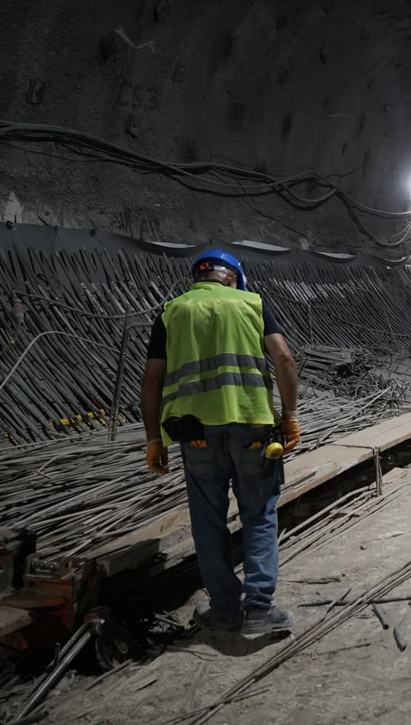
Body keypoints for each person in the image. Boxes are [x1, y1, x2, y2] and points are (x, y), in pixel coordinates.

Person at [140, 250, 300, 634]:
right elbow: (284, 359)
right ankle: (259, 610)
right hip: (252, 430)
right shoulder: (251, 304)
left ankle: (225, 610)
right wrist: (290, 417)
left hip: (195, 437)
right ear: (231, 278)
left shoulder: (172, 311)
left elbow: (151, 381)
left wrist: (153, 440)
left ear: (200, 278)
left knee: (208, 521)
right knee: (259, 515)